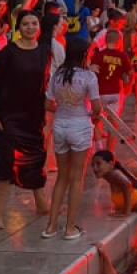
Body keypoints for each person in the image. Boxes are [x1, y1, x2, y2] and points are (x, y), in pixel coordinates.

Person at [0, 10, 53, 230]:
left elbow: (46, 84)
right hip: (8, 118)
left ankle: (42, 204)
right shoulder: (8, 53)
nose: (30, 28)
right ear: (18, 27)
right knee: (4, 164)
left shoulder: (44, 51)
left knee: (35, 160)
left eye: (34, 23)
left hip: (33, 119)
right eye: (25, 24)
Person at [43, 37, 101, 241]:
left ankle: (50, 226)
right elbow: (96, 108)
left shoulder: (57, 75)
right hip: (80, 127)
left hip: (60, 126)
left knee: (62, 178)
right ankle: (69, 228)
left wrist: (63, 107)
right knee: (77, 178)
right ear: (84, 54)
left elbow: (49, 104)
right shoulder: (88, 77)